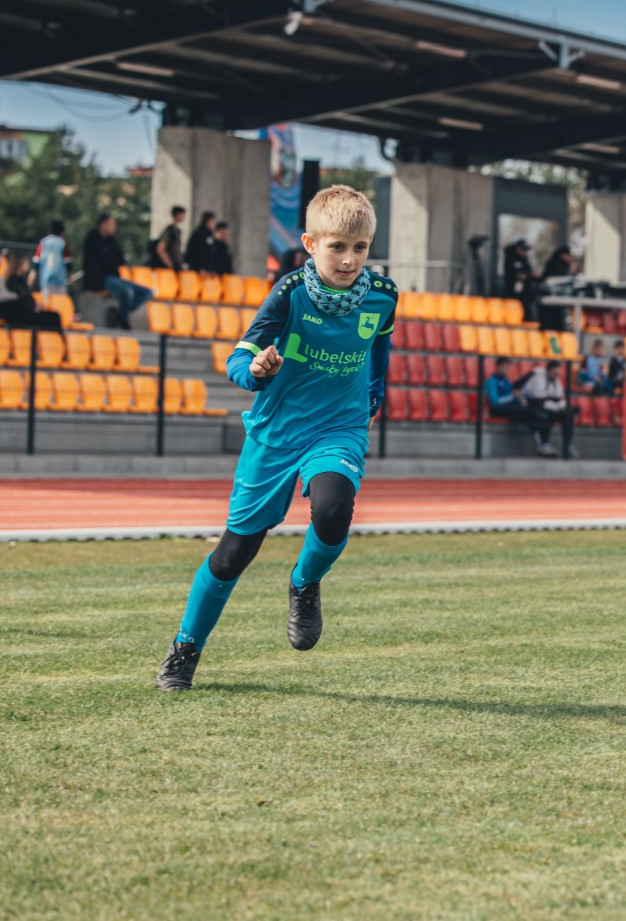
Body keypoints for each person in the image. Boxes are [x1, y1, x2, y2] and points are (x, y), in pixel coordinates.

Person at [155, 186, 399, 691]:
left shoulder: (384, 296)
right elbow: (239, 358)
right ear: (310, 243)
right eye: (337, 247)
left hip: (339, 427)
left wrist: (373, 402)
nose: (350, 259)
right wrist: (256, 371)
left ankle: (304, 583)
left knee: (333, 508)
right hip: (277, 433)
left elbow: (379, 353)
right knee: (233, 554)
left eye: (360, 247)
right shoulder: (290, 293)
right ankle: (185, 649)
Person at [82, 213, 152, 329]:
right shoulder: (92, 238)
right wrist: (110, 259)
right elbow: (100, 262)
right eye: (111, 224)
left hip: (115, 277)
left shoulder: (111, 241)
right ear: (103, 224)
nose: (114, 227)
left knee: (147, 292)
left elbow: (119, 259)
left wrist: (110, 258)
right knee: (127, 292)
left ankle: (121, 312)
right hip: (102, 278)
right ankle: (124, 319)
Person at [0, 249, 63, 331]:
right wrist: (14, 296)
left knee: (50, 315)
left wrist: (14, 297)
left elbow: (3, 293)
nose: (0, 263)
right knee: (20, 306)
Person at [485, 356, 554, 455]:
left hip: (514, 408)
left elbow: (515, 394)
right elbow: (494, 402)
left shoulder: (507, 380)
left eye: (507, 366)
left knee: (541, 412)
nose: (506, 369)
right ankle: (542, 444)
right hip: (501, 410)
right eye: (504, 366)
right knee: (534, 414)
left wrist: (520, 399)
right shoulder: (492, 381)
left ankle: (544, 443)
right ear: (498, 366)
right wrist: (511, 397)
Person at [520, 359, 577, 458]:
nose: (556, 375)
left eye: (557, 373)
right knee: (545, 415)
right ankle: (544, 443)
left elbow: (559, 397)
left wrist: (563, 407)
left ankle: (566, 446)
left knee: (567, 416)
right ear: (549, 370)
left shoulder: (556, 380)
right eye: (554, 372)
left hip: (549, 407)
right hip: (530, 406)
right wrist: (556, 407)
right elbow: (539, 400)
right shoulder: (538, 378)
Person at [34, 220, 70, 298]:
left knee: (46, 303)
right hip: (60, 280)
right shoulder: (63, 242)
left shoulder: (44, 241)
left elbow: (36, 260)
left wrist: (33, 273)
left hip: (45, 280)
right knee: (60, 302)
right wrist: (70, 275)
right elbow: (67, 261)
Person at [148, 206, 185, 271]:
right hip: (169, 267)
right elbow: (160, 249)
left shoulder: (177, 230)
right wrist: (170, 265)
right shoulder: (170, 230)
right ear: (177, 215)